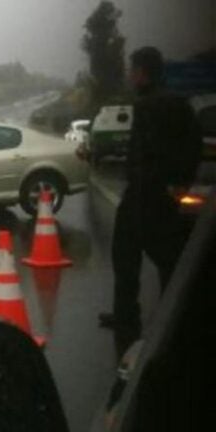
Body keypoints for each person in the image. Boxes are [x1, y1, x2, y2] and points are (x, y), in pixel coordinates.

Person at [98, 47, 202, 348]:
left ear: (143, 72)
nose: (131, 76)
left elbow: (143, 155)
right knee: (165, 255)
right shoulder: (180, 104)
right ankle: (170, 313)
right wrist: (182, 182)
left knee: (129, 255)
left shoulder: (147, 107)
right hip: (164, 195)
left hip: (144, 195)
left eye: (133, 71)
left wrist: (140, 180)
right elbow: (194, 145)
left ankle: (131, 316)